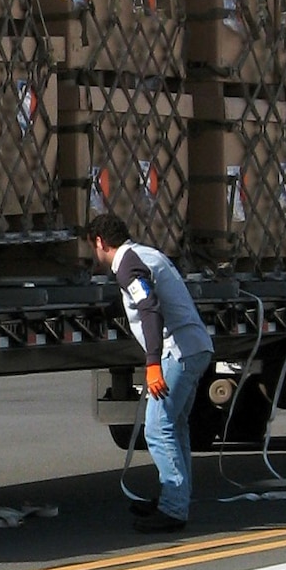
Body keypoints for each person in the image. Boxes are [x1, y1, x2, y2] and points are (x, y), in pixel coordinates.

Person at [86, 213, 214, 534]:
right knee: (175, 427)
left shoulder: (128, 263)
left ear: (100, 242)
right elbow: (144, 297)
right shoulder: (145, 255)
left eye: (93, 247)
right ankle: (177, 499)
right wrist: (109, 312)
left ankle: (173, 509)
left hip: (177, 353)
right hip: (195, 347)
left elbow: (149, 306)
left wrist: (153, 363)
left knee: (157, 429)